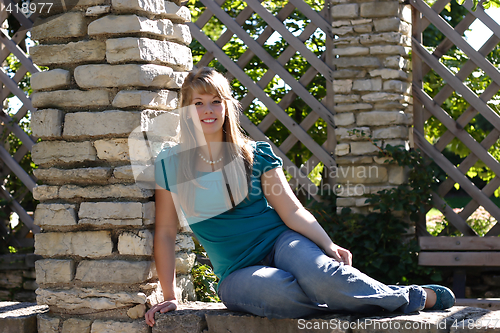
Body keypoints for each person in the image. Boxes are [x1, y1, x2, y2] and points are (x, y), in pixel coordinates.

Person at [144, 67, 455, 327]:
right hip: (237, 272)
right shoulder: (172, 165)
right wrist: (170, 295)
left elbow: (291, 210)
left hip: (282, 242)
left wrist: (327, 244)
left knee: (322, 276)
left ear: (226, 106)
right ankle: (373, 294)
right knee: (280, 295)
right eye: (198, 103)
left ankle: (410, 297)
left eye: (215, 101)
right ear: (185, 110)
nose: (208, 110)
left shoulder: (255, 155)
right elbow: (167, 232)